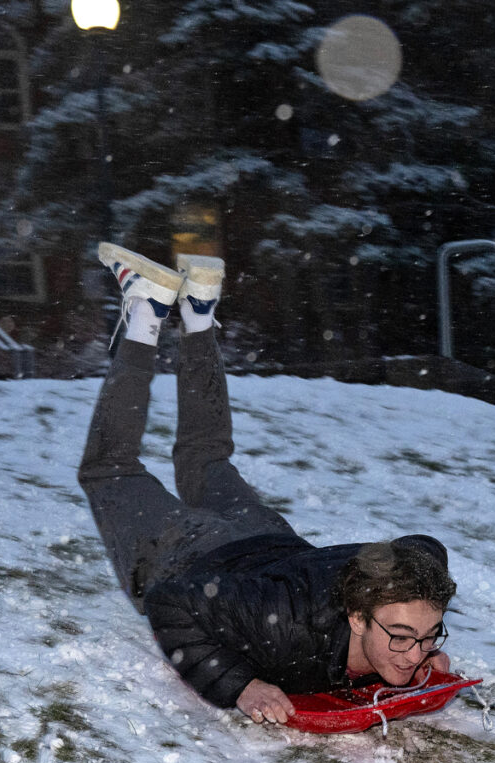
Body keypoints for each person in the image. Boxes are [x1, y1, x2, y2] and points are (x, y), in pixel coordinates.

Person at [79, 244, 457, 725]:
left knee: (205, 457)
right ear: (357, 617)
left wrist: (421, 640)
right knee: (109, 469)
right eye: (401, 636)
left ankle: (197, 313)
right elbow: (169, 604)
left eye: (427, 637)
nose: (412, 653)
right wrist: (241, 685)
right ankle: (146, 315)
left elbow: (427, 547)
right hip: (191, 554)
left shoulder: (393, 591)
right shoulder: (283, 630)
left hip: (263, 532)